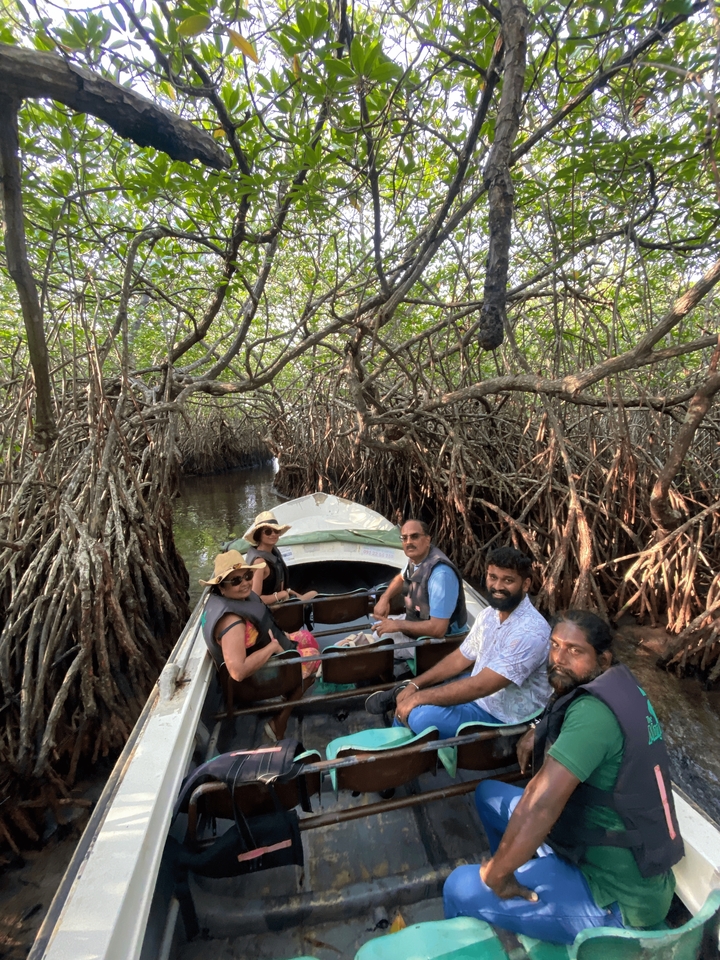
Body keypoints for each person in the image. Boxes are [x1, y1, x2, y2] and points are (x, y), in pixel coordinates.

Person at [443, 609, 684, 945]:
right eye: (555, 646)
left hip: (616, 898)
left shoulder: (594, 715)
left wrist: (495, 873)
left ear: (603, 657)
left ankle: (503, 888)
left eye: (574, 650)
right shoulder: (619, 687)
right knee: (488, 796)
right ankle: (516, 884)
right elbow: (560, 713)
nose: (558, 659)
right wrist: (535, 729)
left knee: (458, 887)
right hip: (594, 849)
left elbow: (540, 805)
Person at [367, 546, 551, 739]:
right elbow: (460, 658)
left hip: (503, 716)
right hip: (480, 696)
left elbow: (481, 686)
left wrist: (418, 697)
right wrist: (416, 684)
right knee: (415, 696)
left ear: (526, 584)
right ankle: (399, 737)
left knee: (418, 716)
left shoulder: (531, 632)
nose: (497, 586)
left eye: (508, 580)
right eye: (492, 577)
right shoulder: (489, 615)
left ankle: (399, 750)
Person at [200, 550, 319, 741]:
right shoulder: (233, 623)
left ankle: (290, 689)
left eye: (247, 576)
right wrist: (272, 647)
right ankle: (280, 719)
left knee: (305, 636)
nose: (245, 583)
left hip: (264, 653)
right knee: (314, 657)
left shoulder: (231, 601)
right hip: (254, 682)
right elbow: (238, 671)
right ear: (221, 587)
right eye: (236, 581)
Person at [370, 520, 468, 663]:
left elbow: (438, 629)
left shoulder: (441, 575)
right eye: (405, 537)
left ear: (427, 539)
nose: (409, 542)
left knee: (379, 643)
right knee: (378, 631)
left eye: (415, 536)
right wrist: (385, 598)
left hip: (442, 642)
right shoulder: (416, 559)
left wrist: (396, 625)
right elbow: (401, 578)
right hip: (418, 620)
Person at [242, 510, 316, 606]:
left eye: (276, 531)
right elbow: (255, 599)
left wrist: (288, 592)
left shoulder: (273, 552)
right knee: (313, 596)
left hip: (282, 601)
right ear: (259, 535)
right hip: (272, 610)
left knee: (314, 594)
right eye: (268, 532)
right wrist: (280, 595)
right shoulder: (259, 562)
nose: (273, 534)